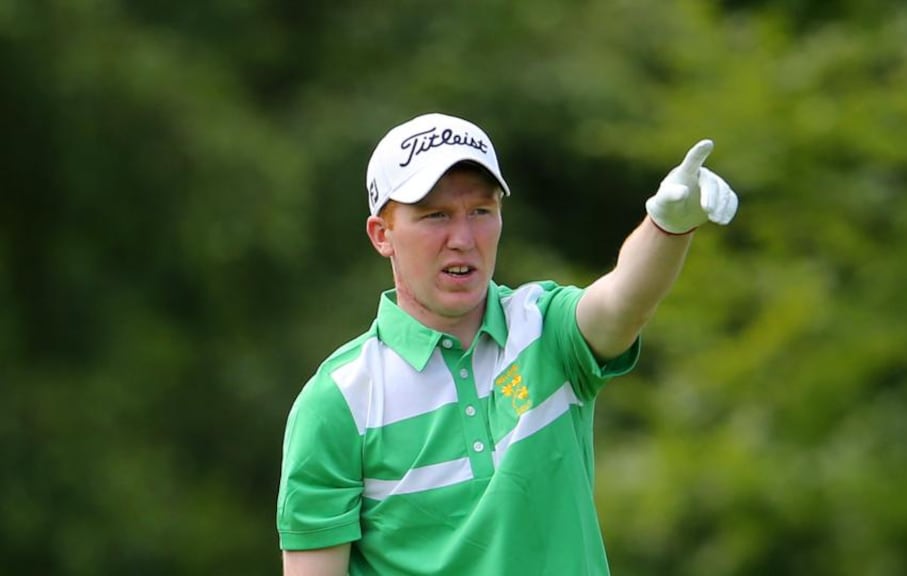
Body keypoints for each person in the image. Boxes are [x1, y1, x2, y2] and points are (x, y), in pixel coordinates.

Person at [276, 112, 738, 575]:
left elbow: (622, 302)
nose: (463, 238)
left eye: (481, 211)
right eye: (435, 216)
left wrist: (667, 228)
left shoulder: (542, 328)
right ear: (383, 235)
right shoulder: (340, 399)